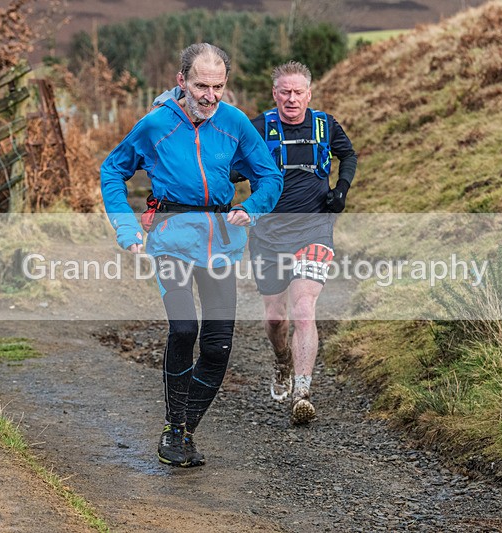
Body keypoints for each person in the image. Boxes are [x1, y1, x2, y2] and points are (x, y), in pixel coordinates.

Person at [100, 43, 283, 467]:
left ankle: (181, 430)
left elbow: (269, 176)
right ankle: (173, 427)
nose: (210, 96)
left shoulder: (234, 122)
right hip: (170, 241)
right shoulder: (156, 125)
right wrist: (127, 227)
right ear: (181, 81)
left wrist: (251, 209)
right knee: (184, 329)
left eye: (218, 86)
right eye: (202, 85)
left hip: (220, 244)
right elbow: (113, 169)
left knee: (218, 349)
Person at [233, 61, 357, 425]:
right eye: (284, 92)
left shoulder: (325, 125)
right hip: (268, 235)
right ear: (275, 94)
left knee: (304, 309)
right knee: (275, 318)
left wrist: (341, 191)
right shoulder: (258, 127)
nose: (291, 98)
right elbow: (234, 166)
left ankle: (302, 393)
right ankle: (282, 360)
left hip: (314, 230)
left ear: (309, 94)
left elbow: (347, 155)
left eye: (298, 92)